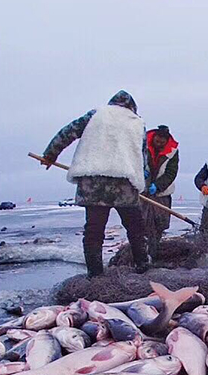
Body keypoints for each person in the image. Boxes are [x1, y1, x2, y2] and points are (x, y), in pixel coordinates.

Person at [40, 90, 149, 277]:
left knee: (94, 230)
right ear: (132, 107)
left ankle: (95, 273)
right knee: (135, 227)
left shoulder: (96, 114)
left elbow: (68, 132)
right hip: (124, 183)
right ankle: (142, 265)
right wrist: (144, 180)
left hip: (93, 181)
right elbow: (142, 155)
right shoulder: (137, 123)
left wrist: (51, 154)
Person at [144, 124, 179, 258]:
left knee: (159, 224)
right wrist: (140, 173)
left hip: (162, 194)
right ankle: (142, 253)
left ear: (167, 141)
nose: (159, 144)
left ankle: (153, 252)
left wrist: (157, 186)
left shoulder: (173, 151)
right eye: (157, 141)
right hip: (143, 192)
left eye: (162, 142)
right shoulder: (143, 145)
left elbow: (171, 172)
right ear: (154, 137)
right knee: (142, 223)